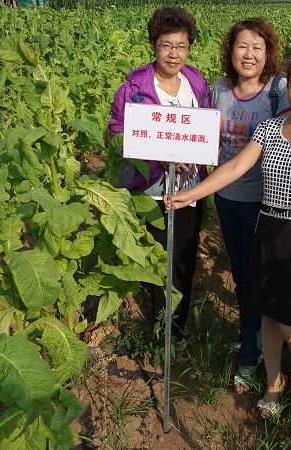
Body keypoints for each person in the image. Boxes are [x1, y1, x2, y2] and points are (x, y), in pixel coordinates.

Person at [166, 54, 291, 418]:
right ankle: (273, 382)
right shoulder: (271, 128)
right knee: (268, 314)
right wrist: (193, 193)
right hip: (267, 228)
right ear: (288, 87)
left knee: (290, 322)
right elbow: (237, 166)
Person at [108, 6, 211, 359]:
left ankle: (177, 331)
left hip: (189, 186)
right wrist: (161, 154)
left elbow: (205, 134)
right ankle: (158, 329)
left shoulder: (197, 86)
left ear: (189, 48)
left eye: (181, 46)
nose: (174, 53)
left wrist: (188, 156)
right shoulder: (134, 88)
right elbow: (119, 132)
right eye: (167, 45)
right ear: (154, 45)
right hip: (148, 186)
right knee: (155, 258)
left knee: (183, 258)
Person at [212, 18, 290, 394]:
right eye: (242, 46)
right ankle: (252, 338)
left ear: (267, 54)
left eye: (257, 47)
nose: (249, 54)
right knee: (241, 274)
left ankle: (248, 357)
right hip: (227, 198)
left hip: (265, 201)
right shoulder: (219, 90)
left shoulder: (279, 91)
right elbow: (207, 136)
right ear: (230, 51)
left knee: (254, 281)